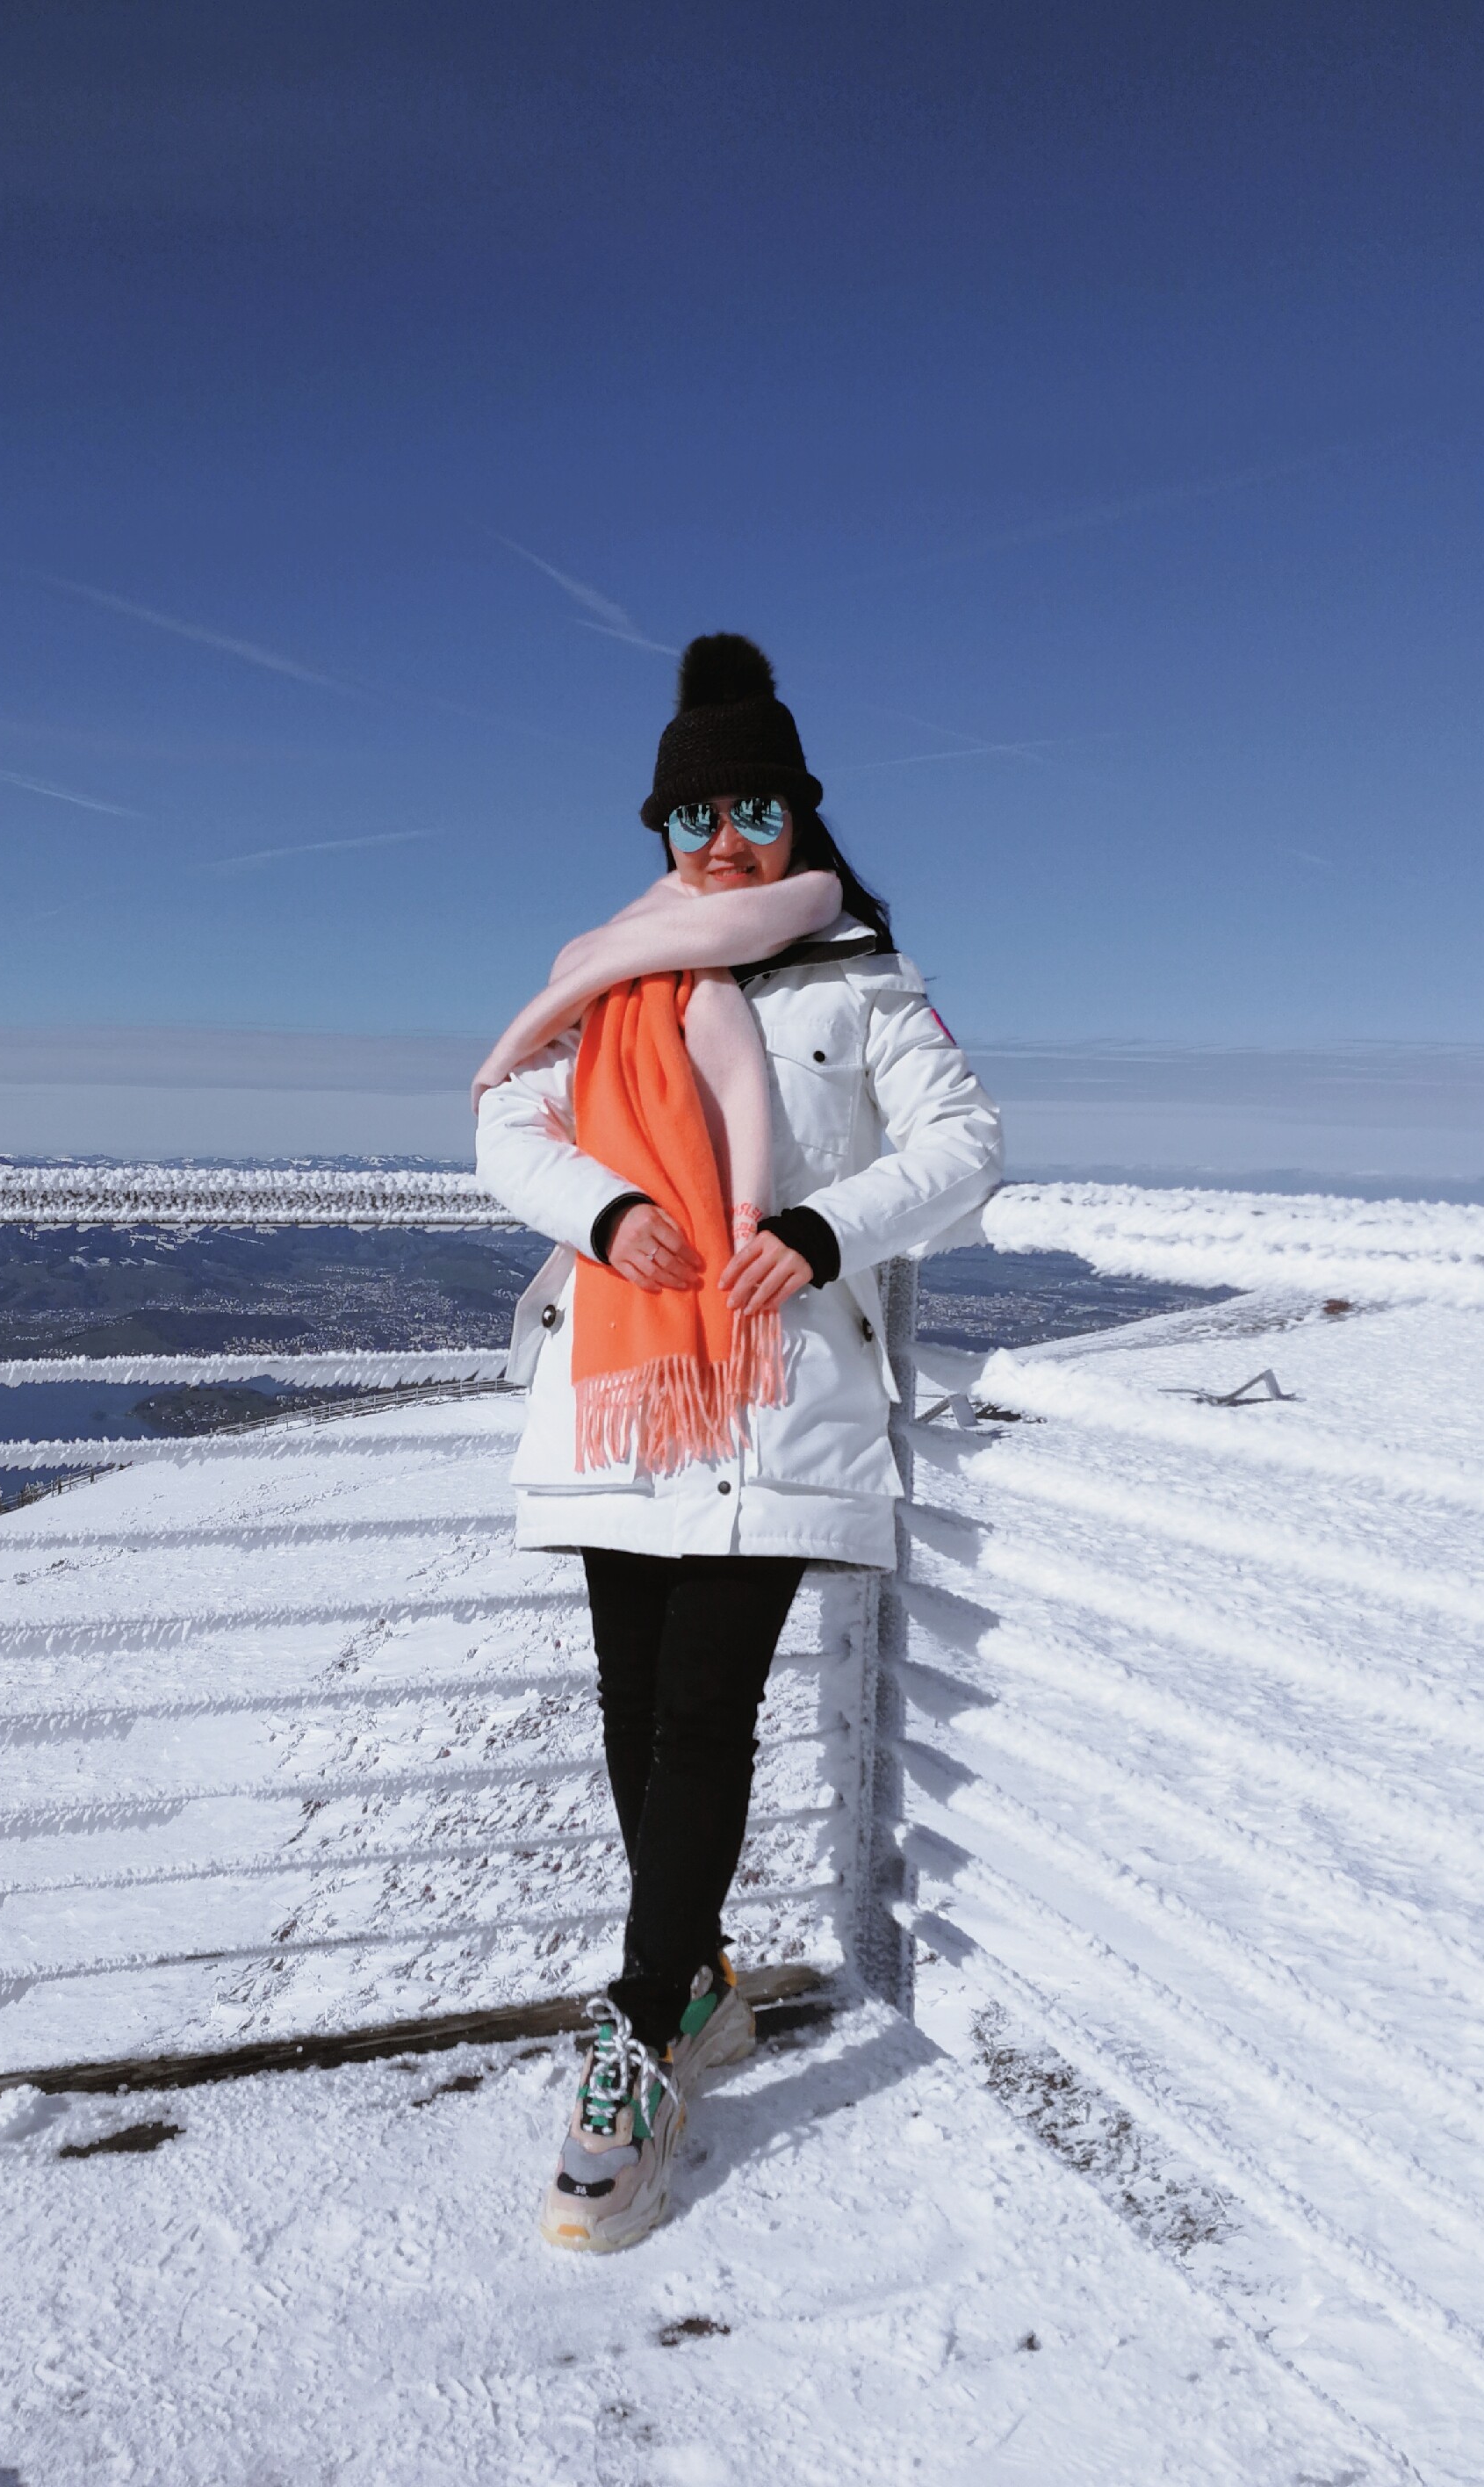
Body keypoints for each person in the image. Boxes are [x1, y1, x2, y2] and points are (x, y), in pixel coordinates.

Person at [473, 633, 1002, 2251]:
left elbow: (969, 1146)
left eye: (756, 808)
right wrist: (611, 1207)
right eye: (696, 813)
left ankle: (635, 2049)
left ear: (802, 819)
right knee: (639, 1722)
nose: (725, 839)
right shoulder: (611, 970)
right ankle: (695, 1984)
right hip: (629, 1393)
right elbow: (507, 1124)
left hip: (772, 1410)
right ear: (663, 831)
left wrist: (831, 1230)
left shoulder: (861, 980)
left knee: (702, 1715)